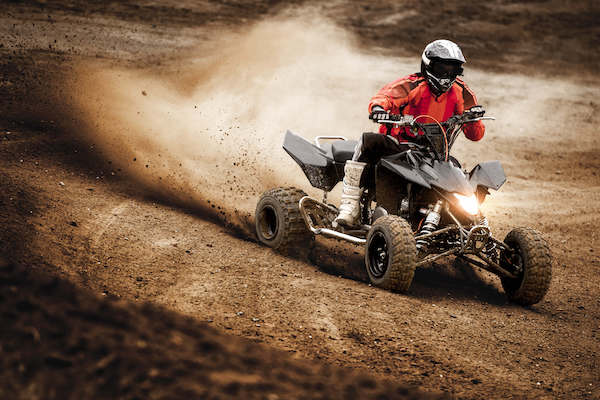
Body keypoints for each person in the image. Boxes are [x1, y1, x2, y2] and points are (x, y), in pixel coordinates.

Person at [334, 39, 486, 227]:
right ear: (428, 66)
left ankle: (456, 221)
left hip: (434, 154)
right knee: (369, 141)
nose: (447, 75)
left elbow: (475, 134)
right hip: (397, 147)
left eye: (452, 70)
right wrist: (379, 108)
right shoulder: (411, 85)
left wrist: (473, 119)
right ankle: (349, 205)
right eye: (442, 69)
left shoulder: (461, 92)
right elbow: (385, 97)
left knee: (455, 170)